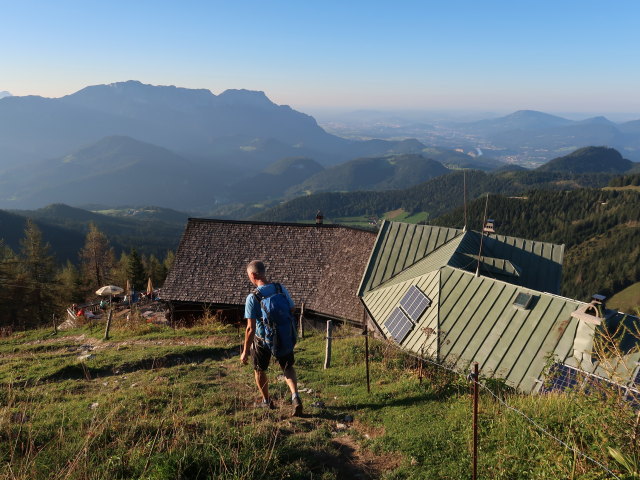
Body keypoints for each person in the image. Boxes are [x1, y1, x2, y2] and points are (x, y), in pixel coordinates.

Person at [240, 260, 303, 416]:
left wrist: (245, 351)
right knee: (287, 367)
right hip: (283, 334)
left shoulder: (252, 298)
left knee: (259, 370)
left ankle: (267, 401)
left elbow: (250, 328)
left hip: (262, 340)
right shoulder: (279, 288)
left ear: (253, 275)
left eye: (249, 276)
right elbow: (292, 308)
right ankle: (295, 396)